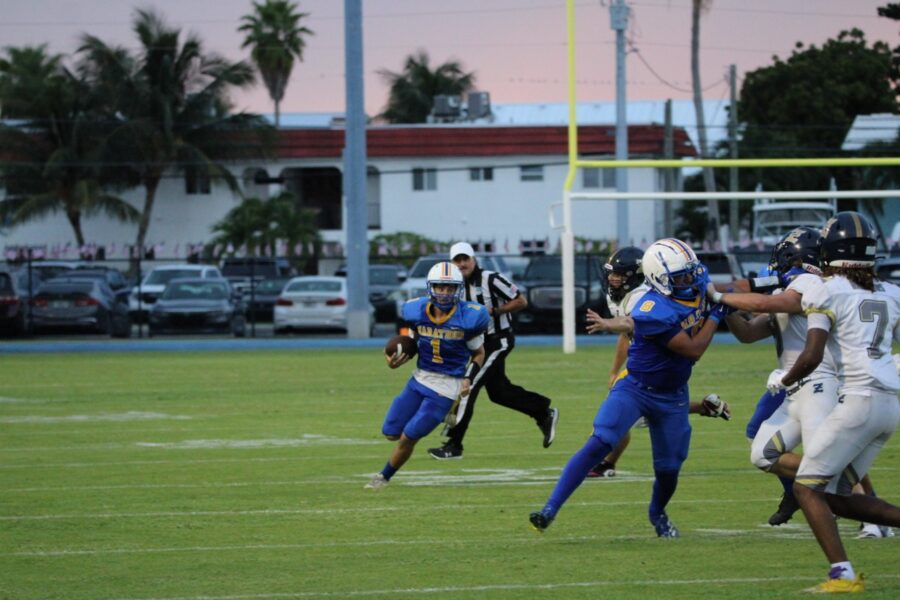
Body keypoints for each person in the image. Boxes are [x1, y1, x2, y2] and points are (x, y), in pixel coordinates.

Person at [529, 238, 728, 537]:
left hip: (672, 393)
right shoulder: (649, 303)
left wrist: (720, 301)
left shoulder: (678, 289)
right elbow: (634, 324)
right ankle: (549, 509)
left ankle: (657, 512)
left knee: (668, 469)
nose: (690, 279)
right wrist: (716, 312)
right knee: (600, 441)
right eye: (681, 275)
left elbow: (644, 325)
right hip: (635, 385)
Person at [762, 212, 900, 593]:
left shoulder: (827, 290)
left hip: (858, 401)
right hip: (889, 407)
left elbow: (811, 356)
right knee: (835, 496)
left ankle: (842, 573)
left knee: (807, 488)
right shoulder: (890, 292)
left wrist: (784, 380)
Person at [712, 227, 836, 527]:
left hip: (821, 379)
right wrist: (722, 308)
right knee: (764, 440)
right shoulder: (788, 285)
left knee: (829, 449)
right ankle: (803, 489)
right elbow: (749, 333)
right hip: (793, 381)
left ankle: (866, 512)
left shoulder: (810, 283)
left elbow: (763, 301)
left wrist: (720, 294)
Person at [585, 246, 730, 478]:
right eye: (611, 273)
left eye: (619, 274)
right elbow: (627, 335)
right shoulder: (621, 295)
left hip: (664, 355)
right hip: (646, 356)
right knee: (635, 412)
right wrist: (614, 371)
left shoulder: (642, 298)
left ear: (636, 275)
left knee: (627, 416)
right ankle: (705, 407)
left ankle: (605, 463)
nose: (612, 278)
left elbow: (630, 326)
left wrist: (609, 325)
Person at [427, 242, 558, 460]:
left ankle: (454, 444)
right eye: (457, 260)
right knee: (500, 393)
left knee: (469, 385)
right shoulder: (451, 285)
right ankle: (543, 412)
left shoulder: (490, 279)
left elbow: (520, 300)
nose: (461, 264)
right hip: (473, 345)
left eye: (465, 259)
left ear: (473, 259)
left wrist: (494, 310)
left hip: (497, 340)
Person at [366, 261, 490, 489]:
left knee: (408, 437)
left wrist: (468, 378)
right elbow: (411, 343)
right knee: (391, 433)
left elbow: (479, 353)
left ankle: (383, 478)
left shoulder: (469, 317)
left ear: (458, 289)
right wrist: (394, 361)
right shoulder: (416, 311)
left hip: (446, 386)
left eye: (450, 288)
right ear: (430, 287)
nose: (444, 293)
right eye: (440, 287)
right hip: (419, 379)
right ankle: (444, 415)